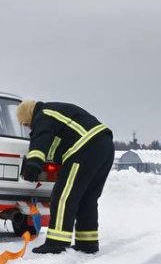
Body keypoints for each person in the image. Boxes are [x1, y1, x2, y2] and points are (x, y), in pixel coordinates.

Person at [17, 100, 114, 254]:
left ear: (29, 117)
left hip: (85, 148)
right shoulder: (55, 111)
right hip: (105, 146)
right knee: (87, 198)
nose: (29, 128)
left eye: (27, 124)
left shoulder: (43, 115)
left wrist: (33, 166)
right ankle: (87, 243)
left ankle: (56, 243)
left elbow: (40, 140)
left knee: (63, 196)